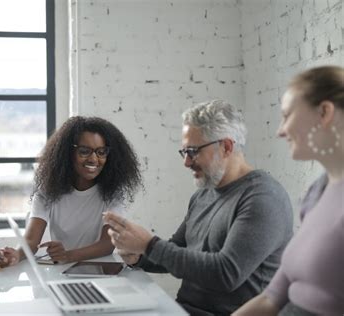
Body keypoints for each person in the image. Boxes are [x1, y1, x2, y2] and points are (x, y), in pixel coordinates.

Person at [104, 100, 294, 316]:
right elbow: (178, 249)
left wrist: (149, 245)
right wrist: (138, 256)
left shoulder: (263, 197)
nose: (186, 162)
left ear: (226, 147)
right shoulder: (203, 194)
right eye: (184, 151)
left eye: (193, 151)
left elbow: (226, 274)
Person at [234, 66, 344, 315]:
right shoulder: (318, 191)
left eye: (287, 115)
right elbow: (271, 298)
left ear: (324, 112)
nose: (280, 130)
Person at [0, 116, 142, 267]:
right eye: (84, 151)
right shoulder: (49, 191)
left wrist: (68, 255)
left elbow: (107, 244)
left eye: (101, 152)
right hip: (62, 270)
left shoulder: (112, 192)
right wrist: (16, 255)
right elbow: (31, 240)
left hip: (100, 270)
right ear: (67, 154)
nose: (94, 159)